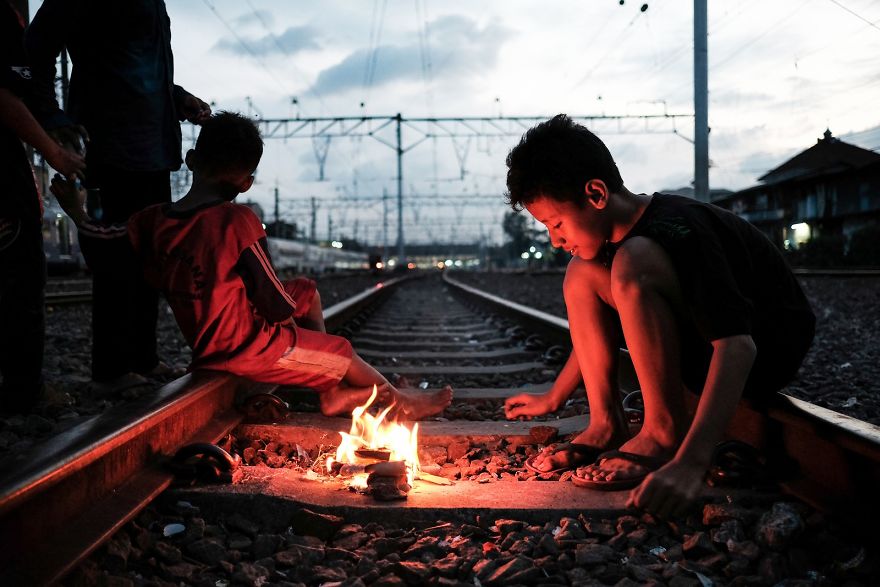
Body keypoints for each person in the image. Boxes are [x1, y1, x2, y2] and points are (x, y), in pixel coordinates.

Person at [502, 114, 814, 518]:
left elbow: (738, 345)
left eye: (556, 223)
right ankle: (606, 423)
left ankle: (662, 433)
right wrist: (555, 396)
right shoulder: (619, 245)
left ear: (596, 194)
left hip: (763, 350)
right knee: (582, 273)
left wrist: (692, 462)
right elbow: (599, 334)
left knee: (631, 260)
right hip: (706, 344)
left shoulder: (678, 229)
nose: (555, 239)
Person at [52, 112, 452, 419]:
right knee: (341, 351)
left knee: (308, 290)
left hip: (210, 336)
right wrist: (293, 329)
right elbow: (275, 304)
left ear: (190, 160)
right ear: (247, 183)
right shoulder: (238, 222)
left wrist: (76, 211)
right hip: (246, 349)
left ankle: (330, 392)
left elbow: (104, 247)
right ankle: (397, 402)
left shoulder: (153, 219)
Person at [25, 0, 212, 391]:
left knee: (148, 257)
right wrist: (53, 117)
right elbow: (36, 48)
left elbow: (137, 67)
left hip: (153, 149)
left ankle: (142, 357)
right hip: (108, 142)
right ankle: (110, 367)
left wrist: (177, 98)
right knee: (115, 257)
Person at [0, 1, 86, 414]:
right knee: (20, 276)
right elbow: (4, 96)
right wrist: (53, 151)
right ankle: (24, 391)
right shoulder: (1, 17)